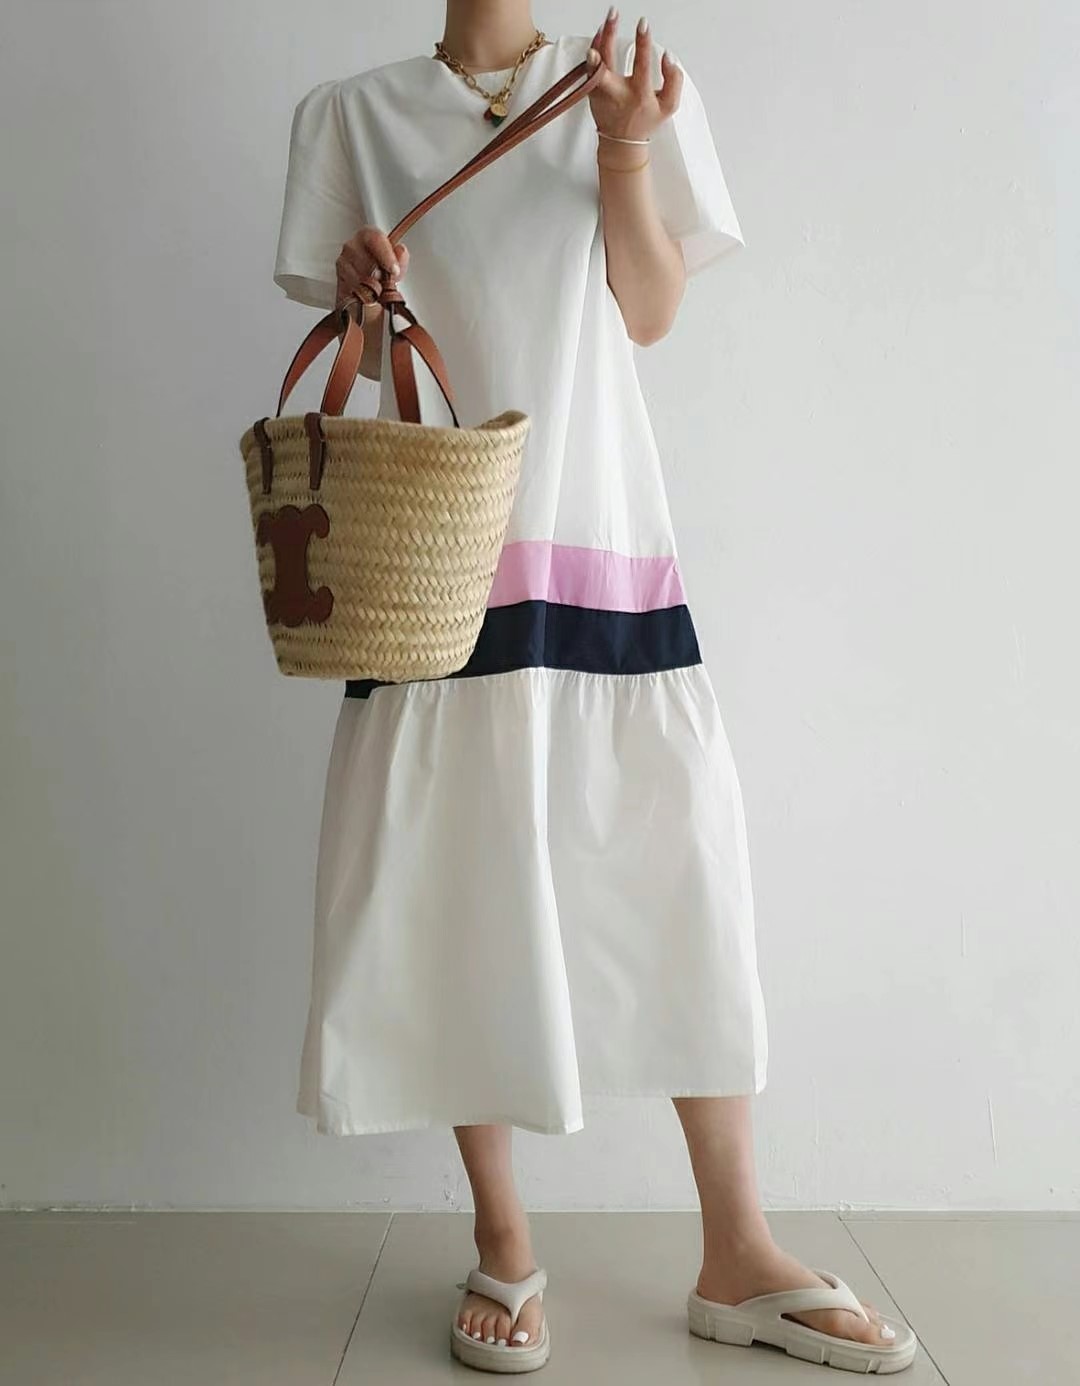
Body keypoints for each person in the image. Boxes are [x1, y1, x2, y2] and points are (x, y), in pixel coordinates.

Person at [272, 2, 916, 1375]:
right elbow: (368, 358)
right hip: (436, 556)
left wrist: (626, 148)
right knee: (458, 877)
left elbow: (650, 311)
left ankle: (737, 1246)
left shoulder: (625, 84)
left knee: (679, 865)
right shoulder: (348, 119)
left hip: (601, 527)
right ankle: (505, 1242)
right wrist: (362, 303)